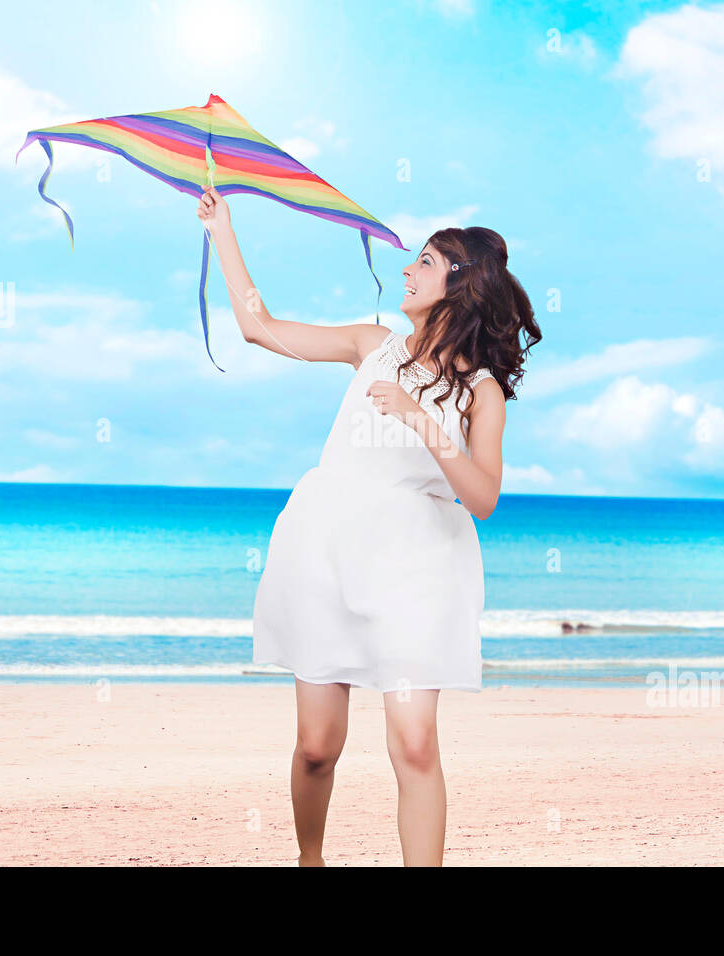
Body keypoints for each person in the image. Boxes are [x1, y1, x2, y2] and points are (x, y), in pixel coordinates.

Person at [196, 186, 541, 866]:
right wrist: (221, 231)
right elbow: (259, 328)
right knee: (318, 748)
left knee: (413, 743)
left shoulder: (481, 392)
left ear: (458, 285)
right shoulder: (371, 344)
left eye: (425, 261)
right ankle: (310, 859)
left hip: (416, 567)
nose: (408, 271)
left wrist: (420, 419)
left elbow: (484, 497)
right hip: (326, 549)